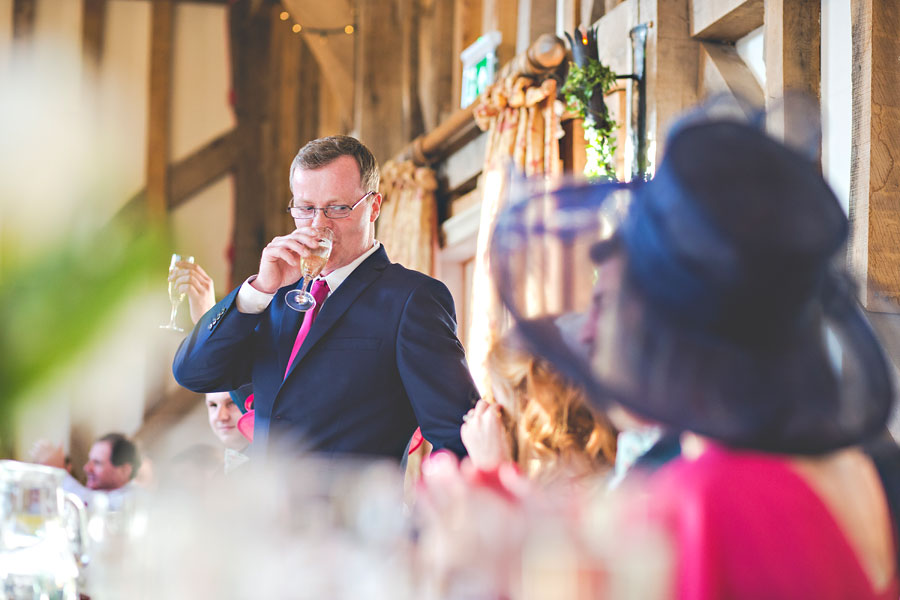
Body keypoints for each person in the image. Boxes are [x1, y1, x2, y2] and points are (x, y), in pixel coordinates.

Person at [490, 108, 899, 598]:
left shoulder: (708, 497)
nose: (588, 334)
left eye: (607, 304)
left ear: (673, 330)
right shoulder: (851, 467)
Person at [173, 135, 479, 460]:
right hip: (264, 508)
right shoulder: (273, 297)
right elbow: (194, 373)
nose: (319, 225)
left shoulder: (412, 300)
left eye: (337, 208)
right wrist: (258, 290)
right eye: (305, 208)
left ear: (373, 207)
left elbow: (457, 437)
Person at [460, 320, 617, 485]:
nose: (495, 413)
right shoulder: (550, 484)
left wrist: (492, 472)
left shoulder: (608, 494)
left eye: (498, 404)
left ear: (531, 408)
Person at [205, 390, 250, 474]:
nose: (220, 417)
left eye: (232, 403)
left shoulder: (275, 459)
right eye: (213, 405)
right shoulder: (217, 476)